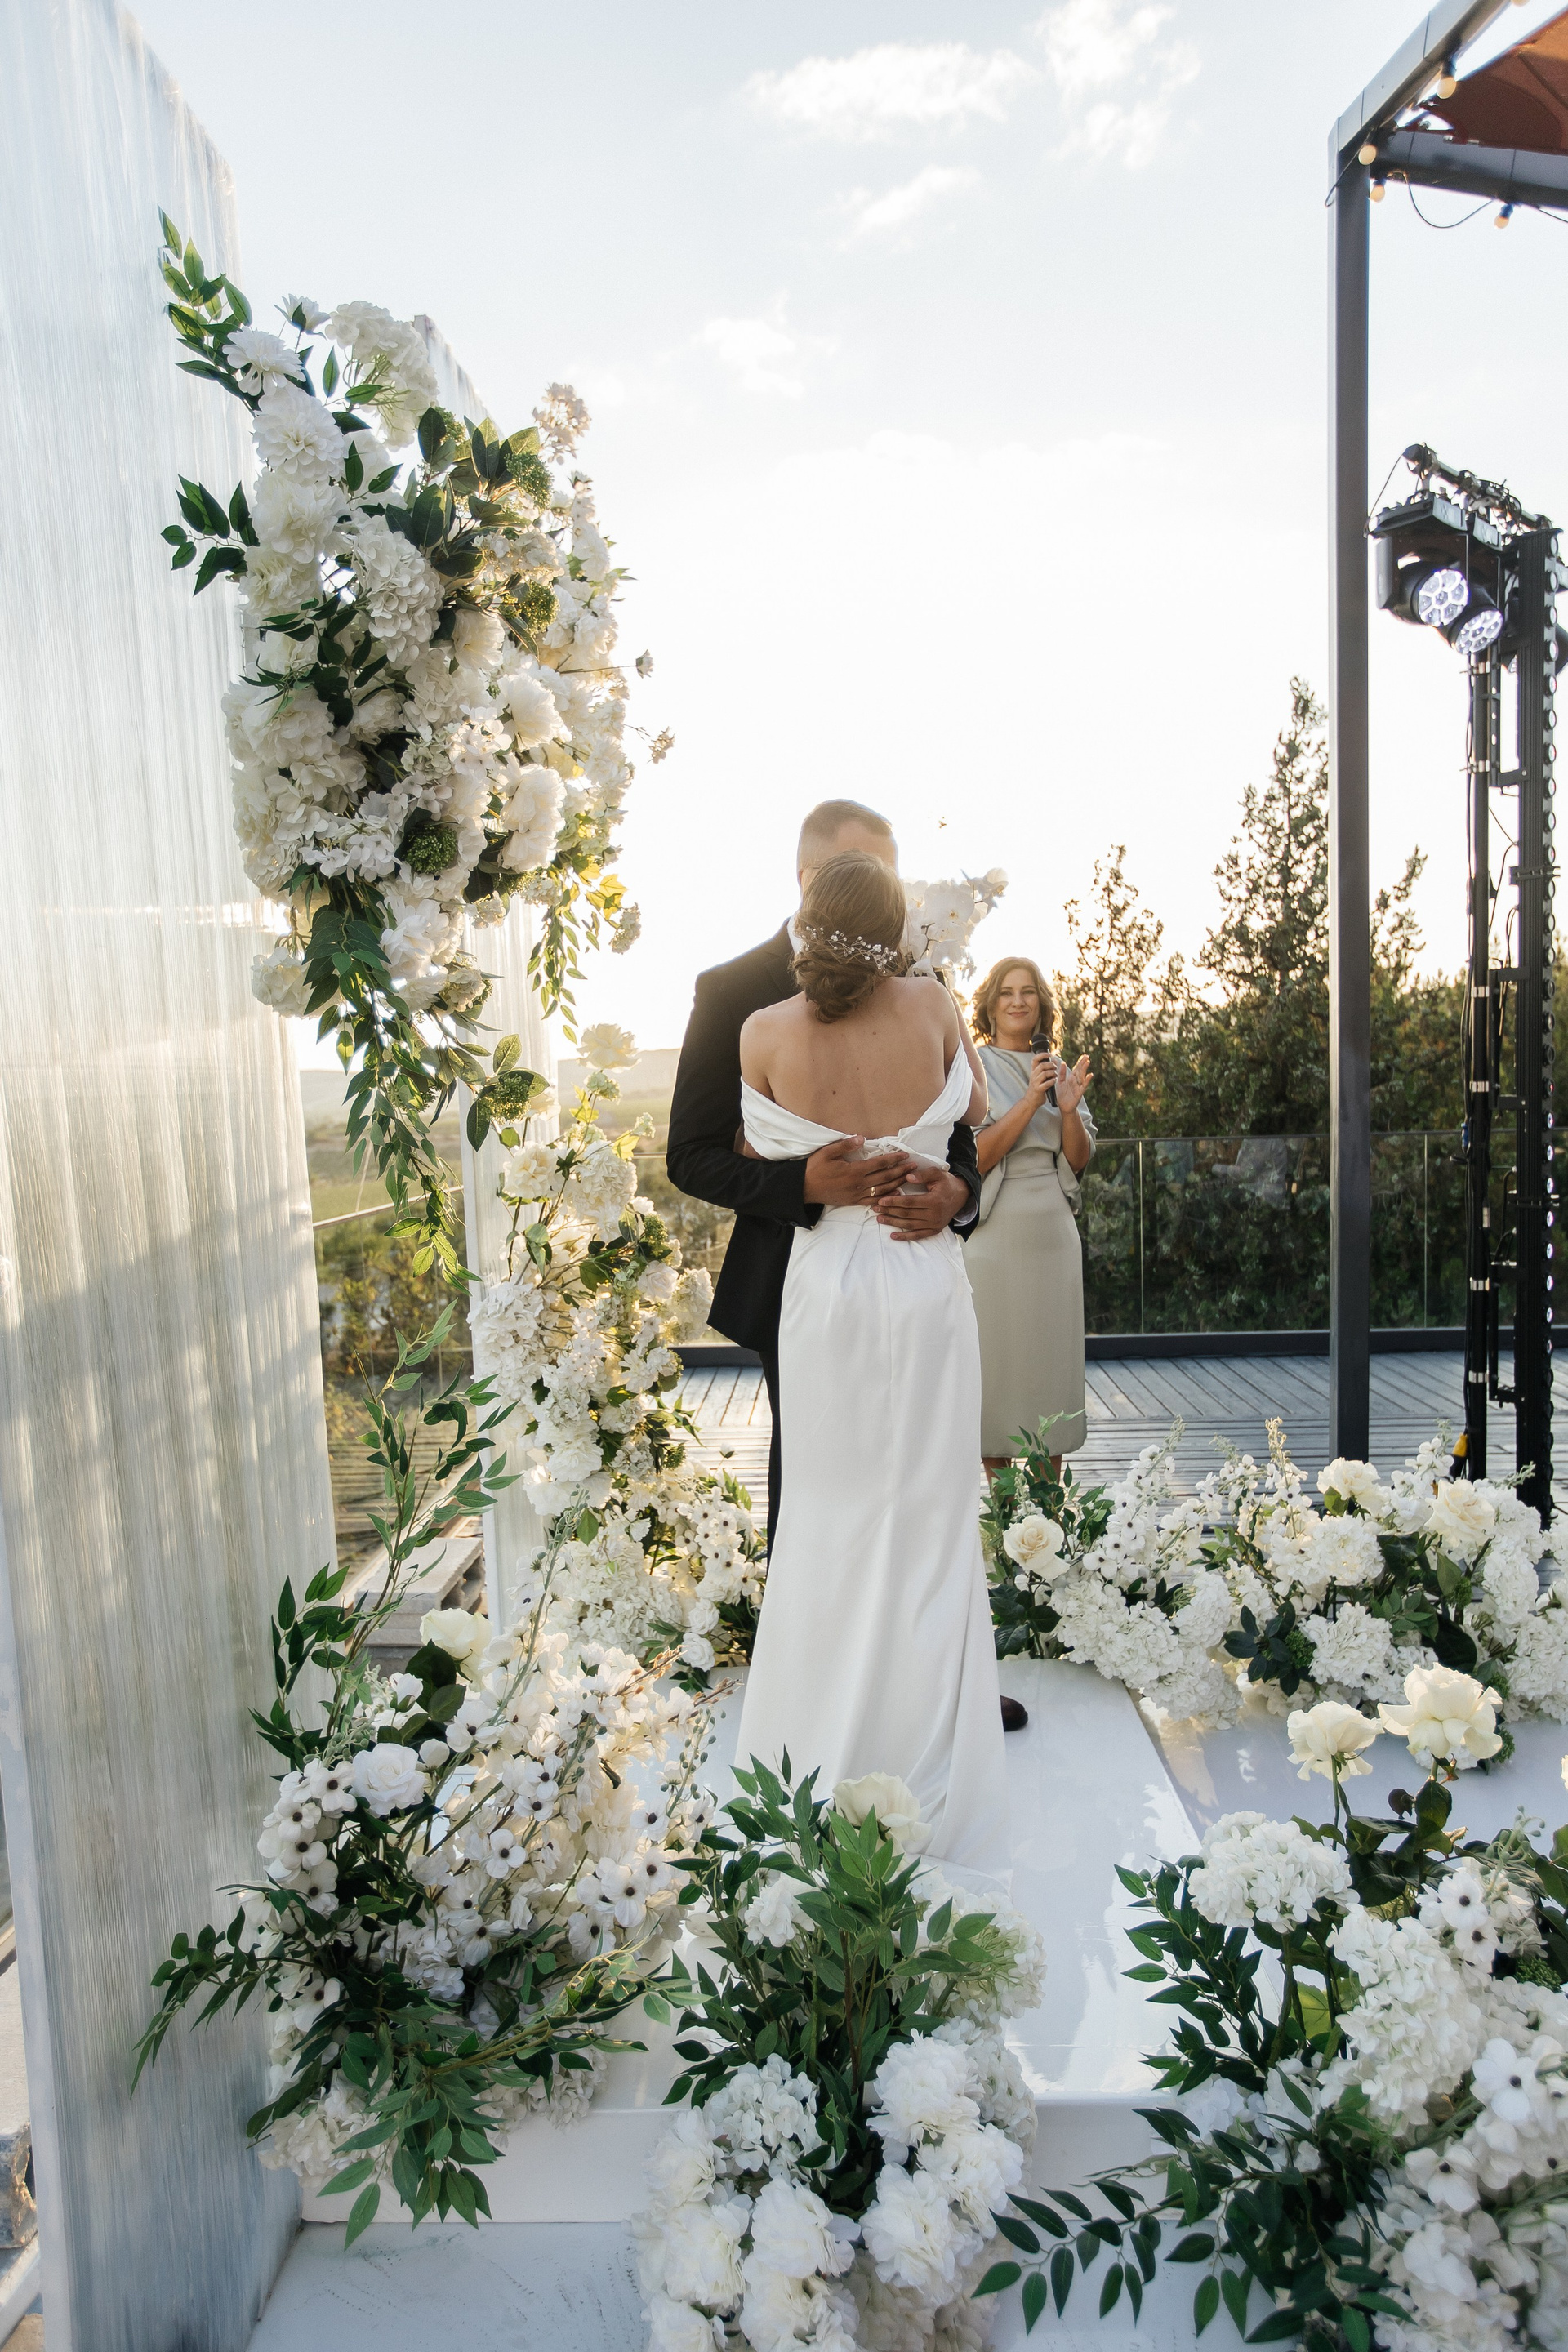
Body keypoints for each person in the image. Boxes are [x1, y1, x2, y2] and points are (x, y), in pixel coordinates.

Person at [667, 800, 1030, 1732]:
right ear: (808, 878)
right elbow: (691, 1154)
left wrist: (956, 1193)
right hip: (799, 1272)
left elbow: (954, 1137)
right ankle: (825, 1700)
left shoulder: (919, 988)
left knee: (927, 1480)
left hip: (896, 1254)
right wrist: (803, 1184)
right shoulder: (732, 991)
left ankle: (940, 1687)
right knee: (820, 1493)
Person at [731, 852, 1009, 1883]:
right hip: (921, 1272)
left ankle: (816, 1757)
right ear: (897, 931)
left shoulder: (762, 1032)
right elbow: (971, 1122)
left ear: (806, 920)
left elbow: (752, 1152)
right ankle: (924, 1763)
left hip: (828, 1289)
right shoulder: (934, 1006)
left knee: (827, 1513)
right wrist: (934, 1172)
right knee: (932, 1514)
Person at [965, 958, 1095, 1473]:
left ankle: (1047, 1508)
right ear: (990, 1005)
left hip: (1052, 1234)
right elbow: (974, 1158)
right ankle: (1001, 1510)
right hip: (994, 1233)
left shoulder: (1058, 1069)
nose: (1017, 1001)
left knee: (1049, 1371)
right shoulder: (972, 1067)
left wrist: (1068, 1110)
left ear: (1041, 1004)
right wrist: (1029, 1101)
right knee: (993, 1368)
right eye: (1006, 992)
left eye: (1028, 992)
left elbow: (1078, 1160)